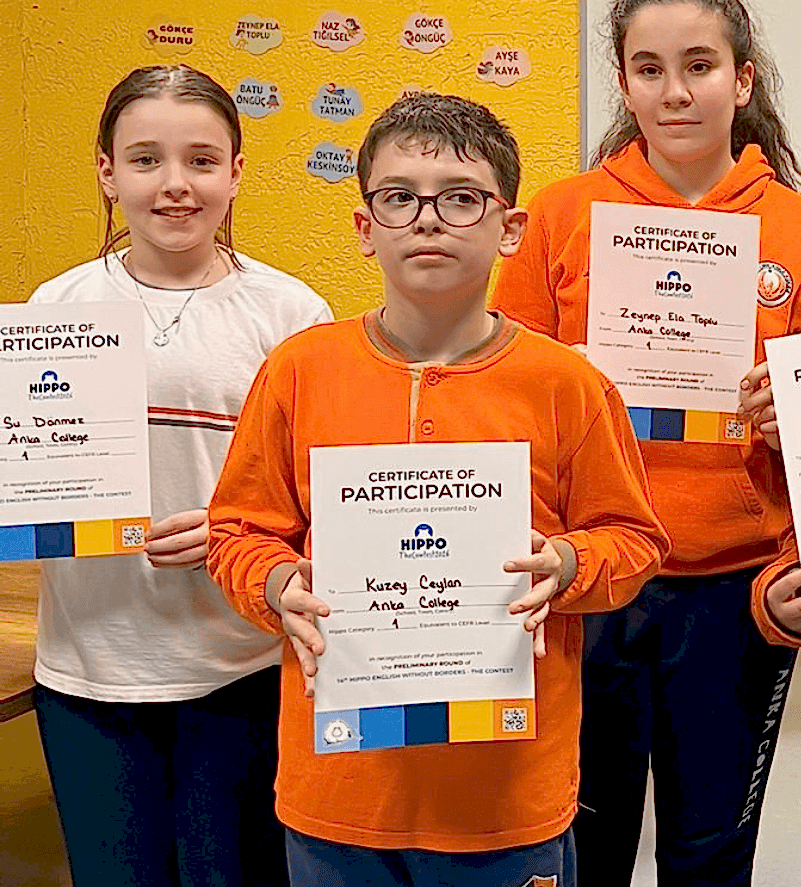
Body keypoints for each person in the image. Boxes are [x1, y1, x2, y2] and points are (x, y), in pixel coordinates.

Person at [207, 93, 668, 886]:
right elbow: (237, 534)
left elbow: (635, 541)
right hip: (339, 791)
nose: (427, 220)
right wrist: (278, 584)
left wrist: (565, 564)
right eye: (399, 198)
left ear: (509, 229)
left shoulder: (567, 384)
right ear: (365, 228)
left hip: (505, 795)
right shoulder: (299, 372)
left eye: (460, 198)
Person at [491, 0, 801, 884]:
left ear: (742, 80)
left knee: (710, 853)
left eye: (700, 66)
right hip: (588, 583)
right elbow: (501, 403)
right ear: (624, 84)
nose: (676, 91)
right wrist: (567, 395)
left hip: (732, 593)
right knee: (585, 845)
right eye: (650, 69)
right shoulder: (564, 218)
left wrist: (795, 418)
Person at [26, 64, 329, 887]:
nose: (174, 185)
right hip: (89, 670)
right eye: (145, 159)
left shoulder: (291, 315)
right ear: (106, 172)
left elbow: (324, 501)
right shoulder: (54, 309)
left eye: (201, 160)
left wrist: (236, 528)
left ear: (236, 172)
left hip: (240, 670)